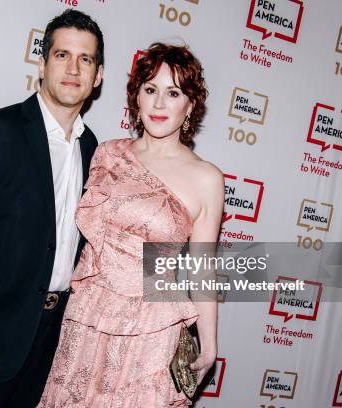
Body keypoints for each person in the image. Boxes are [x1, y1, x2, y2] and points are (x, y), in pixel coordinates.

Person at [0, 9, 104, 408]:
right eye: (62, 55)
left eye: (86, 59)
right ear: (42, 64)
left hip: (51, 342)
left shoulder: (95, 150)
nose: (73, 68)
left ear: (98, 77)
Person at [39, 42, 223, 407]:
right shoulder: (107, 154)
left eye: (173, 93)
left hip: (152, 327)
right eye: (150, 90)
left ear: (189, 105)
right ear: (136, 97)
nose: (159, 104)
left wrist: (210, 343)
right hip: (88, 314)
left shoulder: (206, 179)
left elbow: (202, 268)